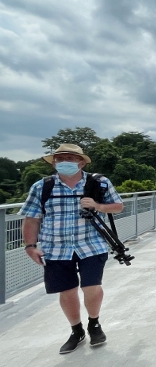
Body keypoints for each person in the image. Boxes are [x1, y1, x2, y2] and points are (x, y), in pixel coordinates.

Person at [19, 144, 124, 354]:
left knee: (91, 286)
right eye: (60, 158)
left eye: (70, 157)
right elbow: (31, 219)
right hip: (55, 248)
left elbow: (118, 205)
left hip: (91, 244)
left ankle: (94, 324)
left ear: (82, 162)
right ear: (54, 162)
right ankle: (76, 330)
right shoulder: (42, 187)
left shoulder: (99, 183)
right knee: (66, 291)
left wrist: (97, 205)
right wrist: (30, 246)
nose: (64, 161)